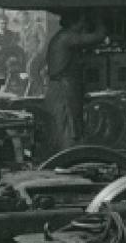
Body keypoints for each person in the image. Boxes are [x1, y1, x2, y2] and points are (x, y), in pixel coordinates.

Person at [43, 13, 105, 153]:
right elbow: (98, 36)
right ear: (75, 23)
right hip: (63, 89)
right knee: (67, 128)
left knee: (70, 125)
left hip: (65, 87)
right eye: (82, 22)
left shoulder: (63, 36)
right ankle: (69, 156)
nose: (84, 25)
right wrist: (99, 16)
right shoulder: (66, 37)